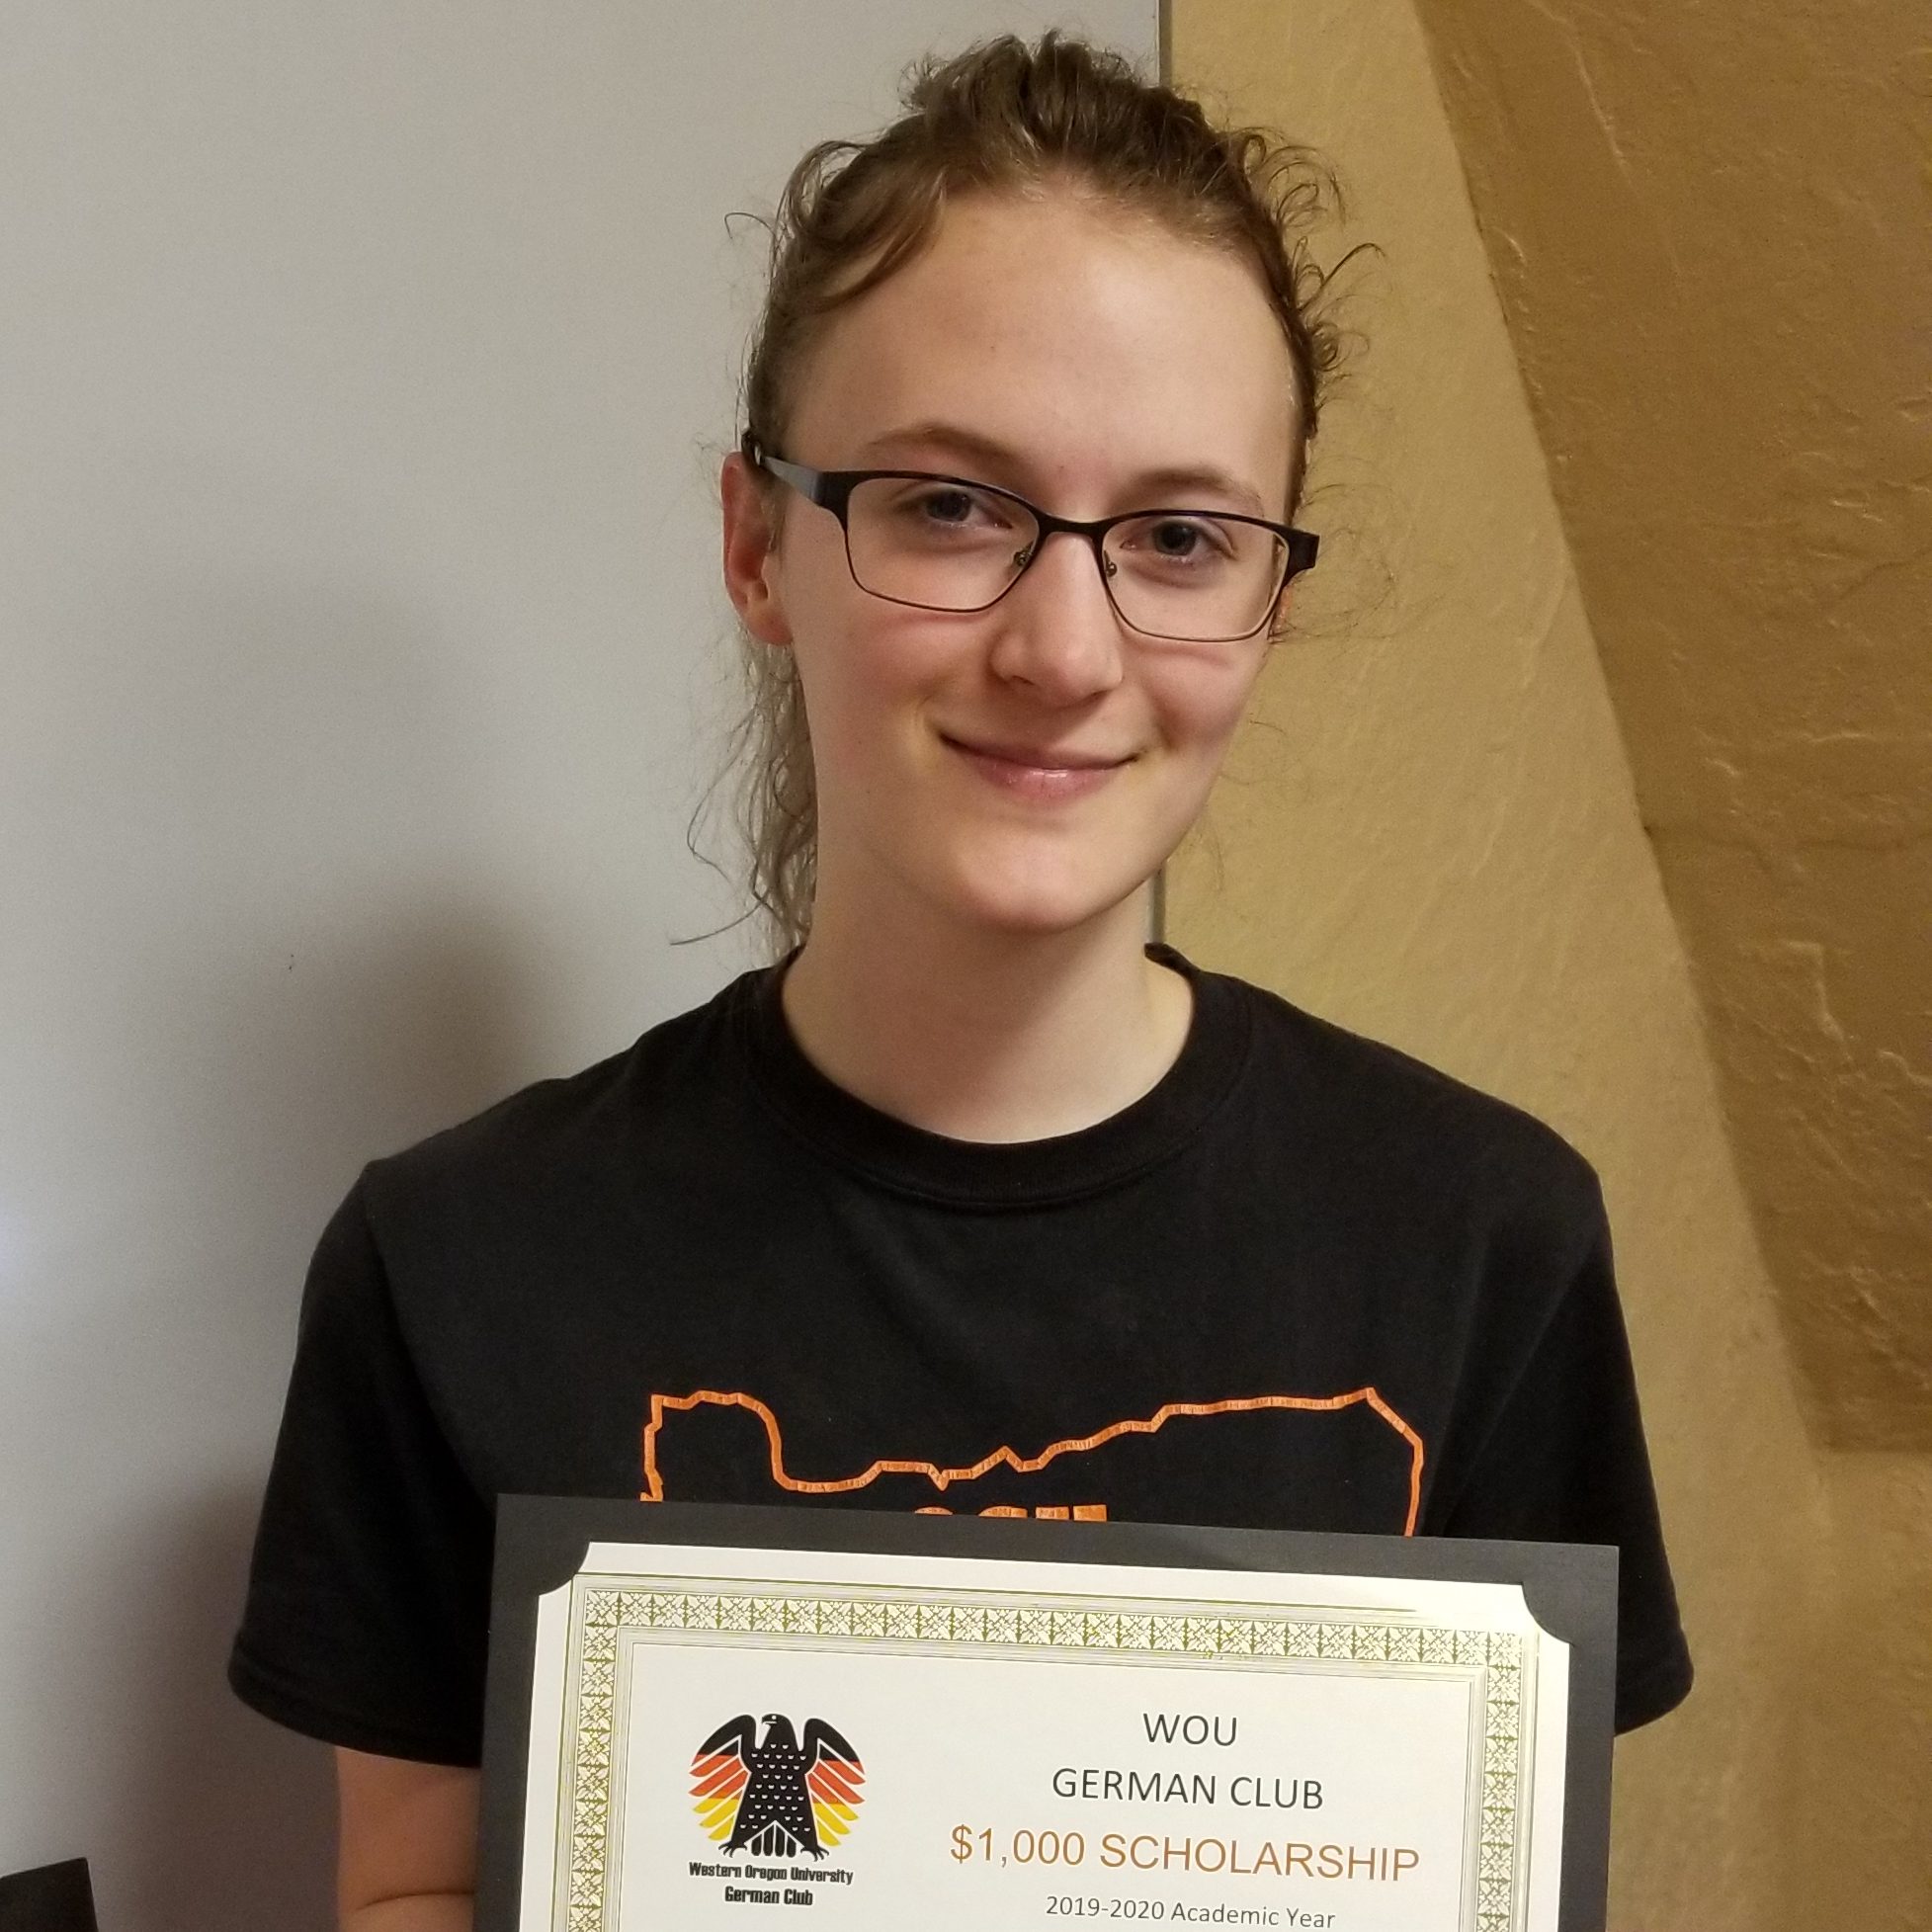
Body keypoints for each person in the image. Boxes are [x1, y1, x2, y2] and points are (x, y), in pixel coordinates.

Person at [228, 30, 1692, 1929]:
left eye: (1180, 537)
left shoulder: (1487, 1245)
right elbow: (413, 1892)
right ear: (758, 545)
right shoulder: (453, 1262)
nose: (1064, 649)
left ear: (1270, 600)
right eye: (949, 505)